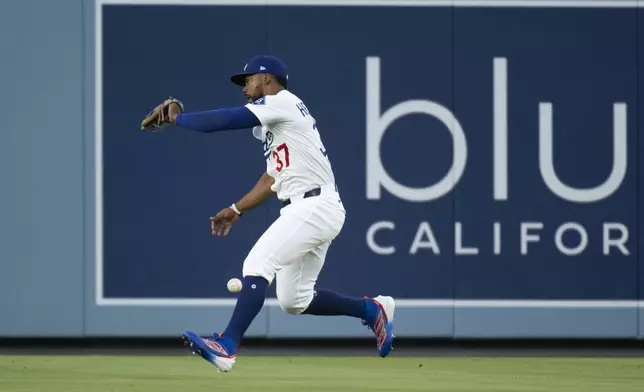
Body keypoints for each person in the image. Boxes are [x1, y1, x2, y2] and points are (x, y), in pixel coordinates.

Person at [140, 55, 395, 373]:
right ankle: (372, 310)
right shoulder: (278, 122)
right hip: (314, 206)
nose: (244, 86)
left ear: (266, 78)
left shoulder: (282, 102)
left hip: (314, 205)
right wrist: (236, 209)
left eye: (248, 80)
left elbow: (224, 120)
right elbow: (272, 179)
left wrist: (178, 118)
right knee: (294, 300)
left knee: (257, 264)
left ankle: (227, 345)